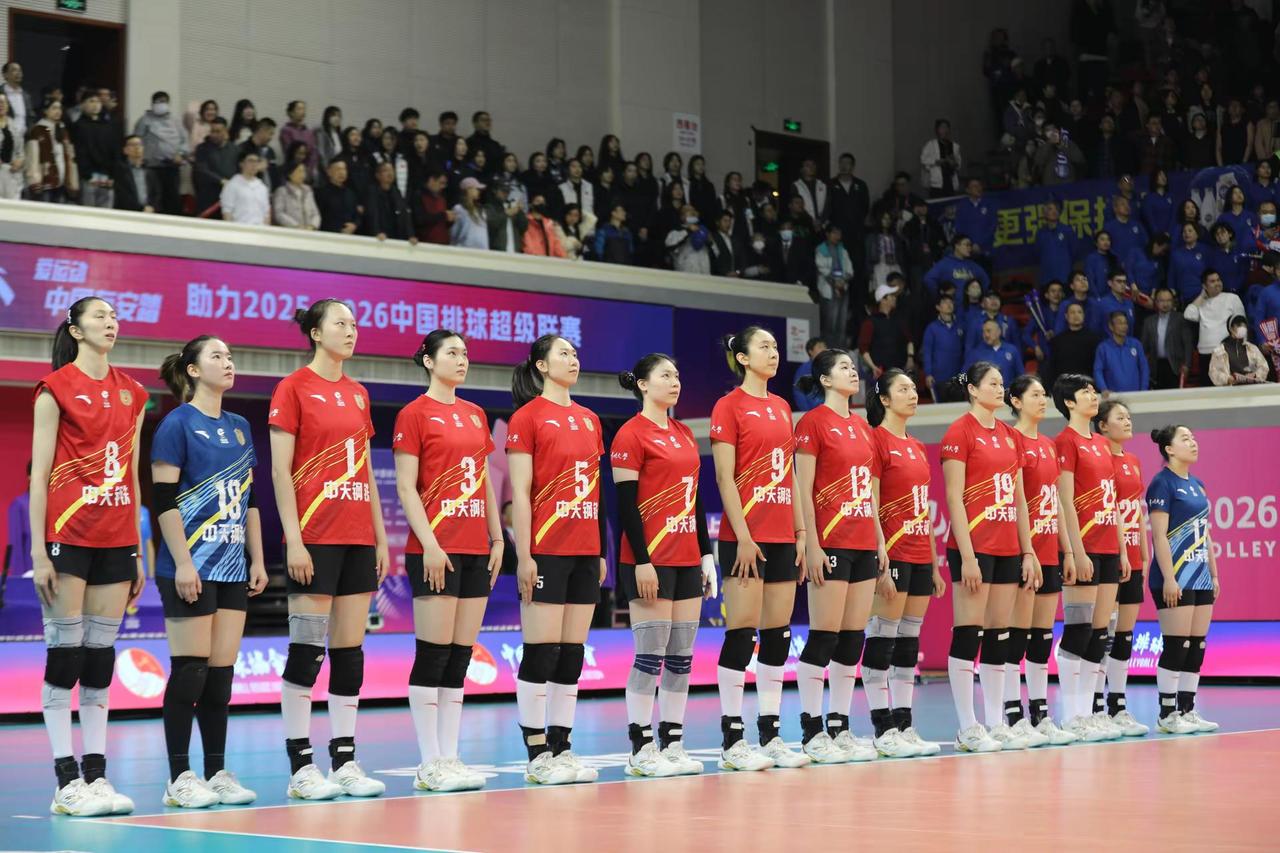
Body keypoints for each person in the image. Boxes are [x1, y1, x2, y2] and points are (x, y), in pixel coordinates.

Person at [29, 297, 147, 817]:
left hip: (116, 539)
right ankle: (65, 783)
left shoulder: (133, 392)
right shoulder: (54, 389)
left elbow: (133, 475)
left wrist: (136, 548)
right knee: (65, 656)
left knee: (99, 661)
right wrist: (39, 550)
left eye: (114, 316)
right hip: (68, 536)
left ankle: (96, 778)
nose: (110, 323)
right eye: (99, 316)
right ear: (75, 330)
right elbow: (39, 475)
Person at [269, 300, 390, 800]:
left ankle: (344, 761)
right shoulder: (293, 388)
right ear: (316, 333)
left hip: (357, 536)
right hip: (314, 537)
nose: (351, 331)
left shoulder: (359, 394)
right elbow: (280, 472)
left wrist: (379, 536)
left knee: (349, 655)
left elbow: (365, 469)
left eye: (354, 324)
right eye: (340, 323)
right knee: (306, 652)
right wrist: (295, 539)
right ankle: (301, 766)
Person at [151, 337, 266, 809]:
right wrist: (182, 562)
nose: (228, 362)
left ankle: (217, 772)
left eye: (230, 356)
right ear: (194, 370)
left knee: (220, 677)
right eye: (216, 356)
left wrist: (258, 559)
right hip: (190, 565)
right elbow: (163, 500)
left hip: (233, 565)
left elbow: (250, 501)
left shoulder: (240, 427)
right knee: (190, 672)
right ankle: (179, 777)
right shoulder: (176, 423)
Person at [392, 330, 500, 793]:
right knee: (433, 655)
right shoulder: (414, 414)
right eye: (452, 353)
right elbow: (406, 487)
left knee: (459, 657)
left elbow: (485, 481)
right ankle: (429, 763)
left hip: (476, 547)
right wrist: (431, 544)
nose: (462, 359)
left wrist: (498, 536)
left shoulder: (475, 414)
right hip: (434, 550)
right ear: (428, 361)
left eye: (465, 353)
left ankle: (450, 757)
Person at [506, 335, 607, 785]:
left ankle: (562, 747)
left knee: (572, 654)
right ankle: (536, 753)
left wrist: (599, 550)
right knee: (542, 651)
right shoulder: (527, 417)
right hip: (546, 549)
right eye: (563, 353)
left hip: (585, 549)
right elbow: (521, 492)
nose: (573, 359)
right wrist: (524, 554)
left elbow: (596, 491)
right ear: (541, 365)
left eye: (575, 353)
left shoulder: (589, 419)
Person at [612, 354, 716, 777]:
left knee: (681, 657)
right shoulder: (630, 434)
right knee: (649, 656)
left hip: (687, 556)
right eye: (665, 376)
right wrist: (642, 560)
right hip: (649, 560)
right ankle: (640, 747)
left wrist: (706, 554)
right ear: (642, 384)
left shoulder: (685, 433)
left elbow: (695, 497)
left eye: (677, 375)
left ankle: (672, 742)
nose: (675, 382)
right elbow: (625, 506)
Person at [709, 327, 807, 771]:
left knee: (777, 634)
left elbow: (789, 475)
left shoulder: (783, 407)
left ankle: (771, 735)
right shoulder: (728, 406)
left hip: (783, 535)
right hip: (744, 538)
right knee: (741, 632)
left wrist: (801, 532)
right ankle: (733, 741)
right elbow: (724, 477)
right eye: (764, 347)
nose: (774, 352)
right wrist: (744, 536)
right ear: (743, 358)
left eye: (775, 346)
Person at [792, 350, 886, 763]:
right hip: (831, 542)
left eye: (854, 366)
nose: (854, 372)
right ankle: (811, 731)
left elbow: (869, 492)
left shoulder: (864, 427)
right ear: (825, 379)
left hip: (864, 540)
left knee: (852, 639)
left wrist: (880, 541)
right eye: (844, 367)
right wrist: (811, 543)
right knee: (824, 636)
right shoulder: (812, 423)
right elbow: (803, 489)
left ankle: (839, 726)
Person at [940, 362, 1039, 753]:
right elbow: (953, 497)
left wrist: (1028, 550)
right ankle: (968, 727)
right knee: (969, 632)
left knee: (1000, 635)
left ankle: (996, 723)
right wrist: (967, 556)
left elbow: (1019, 498)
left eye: (1002, 384)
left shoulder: (1011, 436)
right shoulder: (959, 432)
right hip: (974, 548)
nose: (1001, 389)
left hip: (1008, 547)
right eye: (993, 384)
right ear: (973, 389)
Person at [858, 370, 944, 756]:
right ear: (884, 399)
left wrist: (933, 564)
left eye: (914, 388)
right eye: (903, 389)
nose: (913, 394)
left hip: (919, 553)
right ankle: (883, 728)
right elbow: (871, 502)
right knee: (882, 640)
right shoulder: (875, 440)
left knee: (909, 644)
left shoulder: (917, 446)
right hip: (891, 552)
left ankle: (904, 725)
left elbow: (922, 508)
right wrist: (881, 558)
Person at [1052, 373, 1128, 743]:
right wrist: (1075, 550)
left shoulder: (1100, 443)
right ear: (1069, 402)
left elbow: (1112, 502)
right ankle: (1072, 716)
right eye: (1085, 392)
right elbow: (1064, 500)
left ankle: (1089, 713)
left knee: (1099, 634)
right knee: (1079, 630)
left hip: (1109, 547)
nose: (1093, 396)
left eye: (1094, 390)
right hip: (1084, 547)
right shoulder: (1065, 442)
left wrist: (1122, 549)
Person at [1005, 376, 1077, 746]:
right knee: (1016, 634)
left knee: (1042, 636)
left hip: (1049, 550)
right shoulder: (1011, 440)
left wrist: (1067, 550)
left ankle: (1040, 712)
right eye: (1035, 394)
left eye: (1043, 394)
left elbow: (1059, 503)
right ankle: (1012, 713)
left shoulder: (1048, 446)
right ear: (1016, 401)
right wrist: (1026, 551)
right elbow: (1015, 500)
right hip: (1024, 551)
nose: (1043, 399)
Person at [1146, 425, 1219, 735]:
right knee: (1177, 644)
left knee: (1196, 645)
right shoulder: (1162, 483)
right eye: (1185, 439)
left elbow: (1206, 534)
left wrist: (1213, 573)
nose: (1193, 442)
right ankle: (1166, 714)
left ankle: (1188, 710)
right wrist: (1169, 578)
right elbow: (1159, 536)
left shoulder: (1198, 485)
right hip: (1175, 575)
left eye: (1194, 438)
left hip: (1200, 574)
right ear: (1169, 449)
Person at [1094, 399, 1150, 737]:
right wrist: (1122, 552)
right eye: (1120, 417)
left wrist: (1143, 552)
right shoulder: (1098, 460)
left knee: (1124, 634)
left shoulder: (1133, 461)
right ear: (1102, 425)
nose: (1128, 421)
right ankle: (1095, 706)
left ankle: (1117, 704)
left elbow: (1136, 510)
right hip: (1110, 554)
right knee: (1103, 631)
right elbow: (1109, 508)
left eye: (1129, 416)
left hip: (1133, 556)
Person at [1184, 270, 1245, 386]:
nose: (1217, 283)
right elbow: (1188, 315)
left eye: (1218, 280)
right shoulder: (1200, 303)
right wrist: (1202, 296)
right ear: (1204, 286)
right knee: (1208, 389)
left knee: (1228, 387)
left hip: (1227, 352)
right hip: (1206, 353)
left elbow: (1241, 324)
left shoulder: (1232, 298)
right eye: (1212, 281)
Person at [132, 92, 188, 215]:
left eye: (163, 101)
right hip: (152, 167)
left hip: (172, 166)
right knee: (154, 198)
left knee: (173, 199)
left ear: (168, 103)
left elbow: (184, 140)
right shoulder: (144, 120)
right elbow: (136, 140)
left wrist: (180, 153)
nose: (160, 104)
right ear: (152, 104)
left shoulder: (175, 120)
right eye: (157, 102)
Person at [24, 96, 78, 204]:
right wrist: (34, 181)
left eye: (59, 108)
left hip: (63, 181)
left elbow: (70, 155)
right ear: (45, 111)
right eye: (54, 108)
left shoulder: (63, 130)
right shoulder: (37, 130)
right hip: (44, 181)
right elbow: (32, 158)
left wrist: (72, 180)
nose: (58, 111)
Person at [71, 93, 118, 209]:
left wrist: (113, 175)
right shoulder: (78, 126)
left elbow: (114, 150)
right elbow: (79, 153)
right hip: (88, 178)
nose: (95, 105)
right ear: (83, 104)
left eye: (98, 101)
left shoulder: (108, 126)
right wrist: (88, 175)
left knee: (106, 214)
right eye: (91, 101)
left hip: (107, 177)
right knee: (88, 213)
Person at [1141, 287, 1193, 389]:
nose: (1165, 304)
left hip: (1175, 366)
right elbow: (1143, 347)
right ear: (1156, 302)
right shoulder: (1148, 322)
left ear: (1173, 302)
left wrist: (1187, 365)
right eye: (1162, 301)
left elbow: (1188, 344)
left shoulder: (1180, 319)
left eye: (1169, 300)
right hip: (1155, 366)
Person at [858, 283, 913, 379]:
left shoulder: (898, 319)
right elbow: (863, 348)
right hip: (881, 372)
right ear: (883, 300)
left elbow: (909, 340)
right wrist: (873, 367)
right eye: (891, 296)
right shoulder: (870, 322)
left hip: (900, 371)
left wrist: (910, 357)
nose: (895, 298)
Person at [814, 224, 853, 344]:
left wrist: (843, 280)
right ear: (827, 234)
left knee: (842, 321)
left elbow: (850, 270)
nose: (837, 236)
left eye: (839, 234)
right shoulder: (821, 249)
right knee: (830, 321)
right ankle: (828, 347)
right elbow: (822, 268)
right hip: (829, 287)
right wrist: (835, 282)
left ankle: (839, 347)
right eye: (834, 233)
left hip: (843, 287)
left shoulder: (843, 250)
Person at [1094, 312, 1149, 395]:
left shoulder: (1136, 344)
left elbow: (1144, 368)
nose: (1124, 326)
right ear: (1111, 326)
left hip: (1136, 395)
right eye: (1120, 323)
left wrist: (1144, 389)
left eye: (1125, 323)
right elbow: (1098, 370)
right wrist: (1103, 388)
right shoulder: (1103, 348)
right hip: (1113, 396)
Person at [923, 293, 965, 399]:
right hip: (939, 377)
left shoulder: (961, 325)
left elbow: (966, 350)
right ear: (938, 307)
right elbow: (927, 352)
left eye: (951, 302)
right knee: (942, 407)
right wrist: (928, 373)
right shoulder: (932, 328)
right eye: (945, 302)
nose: (949, 304)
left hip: (958, 376)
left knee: (959, 407)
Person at [924, 235, 990, 301]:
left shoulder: (973, 265)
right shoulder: (945, 263)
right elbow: (928, 279)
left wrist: (979, 297)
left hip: (970, 305)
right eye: (967, 245)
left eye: (970, 245)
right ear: (957, 246)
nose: (969, 248)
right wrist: (940, 297)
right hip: (952, 305)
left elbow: (985, 281)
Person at [1208, 315, 1269, 386]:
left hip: (1251, 388)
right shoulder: (1219, 351)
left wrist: (1255, 375)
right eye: (1238, 325)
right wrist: (1228, 379)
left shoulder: (1252, 348)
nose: (1242, 328)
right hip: (1230, 389)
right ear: (1231, 328)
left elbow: (1264, 367)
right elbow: (1214, 372)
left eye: (1244, 325)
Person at [193, 118, 237, 214]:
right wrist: (221, 180)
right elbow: (201, 169)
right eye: (212, 131)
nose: (214, 135)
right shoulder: (202, 148)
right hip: (208, 197)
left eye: (218, 131)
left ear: (225, 131)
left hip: (229, 197)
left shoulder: (235, 149)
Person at [965, 319, 1024, 387]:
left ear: (998, 332)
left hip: (1007, 392)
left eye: (988, 331)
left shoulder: (1012, 350)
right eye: (983, 332)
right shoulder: (975, 353)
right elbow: (966, 375)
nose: (986, 335)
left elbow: (1021, 376)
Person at [219, 150, 270, 226]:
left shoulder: (262, 187)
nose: (254, 164)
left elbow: (266, 214)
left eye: (257, 161)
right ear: (241, 164)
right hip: (240, 228)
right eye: (250, 161)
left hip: (260, 229)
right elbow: (227, 212)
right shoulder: (232, 185)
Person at [113, 135, 161, 213]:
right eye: (133, 145)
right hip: (127, 213)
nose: (137, 147)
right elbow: (122, 195)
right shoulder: (120, 171)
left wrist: (152, 207)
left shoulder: (150, 171)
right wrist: (141, 208)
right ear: (125, 150)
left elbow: (156, 194)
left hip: (149, 212)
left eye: (139, 144)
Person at [1035, 200, 1078, 287]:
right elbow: (1037, 254)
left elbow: (1074, 252)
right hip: (1047, 278)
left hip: (1064, 276)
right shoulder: (1040, 233)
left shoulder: (1067, 230)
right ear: (1044, 213)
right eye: (1050, 209)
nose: (1054, 211)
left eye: (1056, 209)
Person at [316, 159, 361, 235]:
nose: (342, 172)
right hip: (328, 235)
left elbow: (356, 215)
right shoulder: (321, 193)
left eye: (344, 169)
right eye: (338, 169)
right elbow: (319, 217)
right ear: (329, 172)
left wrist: (354, 225)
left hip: (349, 236)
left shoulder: (350, 193)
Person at [920, 120, 962, 198]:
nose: (944, 130)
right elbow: (923, 159)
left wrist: (954, 163)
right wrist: (937, 161)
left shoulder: (955, 146)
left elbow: (958, 164)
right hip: (936, 184)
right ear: (937, 130)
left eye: (946, 128)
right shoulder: (931, 144)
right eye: (942, 128)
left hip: (950, 182)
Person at [1168, 222, 1208, 305]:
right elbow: (1171, 276)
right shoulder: (1176, 254)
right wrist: (1173, 294)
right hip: (1183, 297)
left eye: (1190, 231)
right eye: (1184, 231)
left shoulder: (1206, 251)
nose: (1186, 233)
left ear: (1197, 234)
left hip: (1203, 296)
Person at [273, 161, 320, 230]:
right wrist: (296, 225)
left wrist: (312, 225)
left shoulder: (308, 191)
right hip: (291, 230)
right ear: (290, 174)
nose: (303, 175)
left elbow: (315, 213)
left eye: (304, 171)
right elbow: (279, 213)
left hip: (309, 231)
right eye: (299, 171)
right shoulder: (282, 191)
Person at [665, 205, 710, 274]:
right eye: (688, 210)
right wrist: (688, 231)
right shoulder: (675, 232)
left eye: (694, 210)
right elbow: (670, 247)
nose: (692, 212)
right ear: (682, 216)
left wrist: (709, 241)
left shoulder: (703, 231)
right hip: (686, 274)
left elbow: (715, 253)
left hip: (704, 274)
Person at [279, 101, 317, 182]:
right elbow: (290, 151)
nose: (302, 112)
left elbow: (313, 152)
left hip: (307, 172)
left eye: (303, 109)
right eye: (299, 109)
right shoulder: (286, 130)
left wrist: (308, 170)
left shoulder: (309, 132)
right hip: (292, 171)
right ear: (291, 112)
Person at [485, 183, 527, 254]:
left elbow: (524, 227)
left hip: (515, 251)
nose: (506, 193)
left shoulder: (511, 206)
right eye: (503, 190)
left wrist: (520, 211)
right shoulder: (489, 207)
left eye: (508, 191)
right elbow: (491, 225)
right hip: (497, 252)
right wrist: (506, 214)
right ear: (495, 191)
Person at [449, 177, 488, 249]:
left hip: (482, 251)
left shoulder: (481, 210)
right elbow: (454, 233)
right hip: (465, 249)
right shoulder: (459, 209)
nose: (479, 191)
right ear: (468, 190)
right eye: (476, 189)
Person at [791, 337, 827, 412]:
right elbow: (799, 394)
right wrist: (807, 412)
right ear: (810, 351)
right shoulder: (803, 370)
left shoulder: (830, 368)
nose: (824, 349)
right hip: (812, 412)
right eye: (820, 347)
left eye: (824, 346)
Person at [790, 157, 828, 223]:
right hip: (804, 222)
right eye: (807, 165)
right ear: (802, 169)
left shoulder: (823, 185)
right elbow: (796, 206)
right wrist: (810, 220)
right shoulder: (796, 185)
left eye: (813, 165)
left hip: (822, 223)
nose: (811, 167)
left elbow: (828, 205)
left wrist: (821, 220)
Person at [1140, 168, 1174, 238]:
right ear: (1154, 178)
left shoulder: (1171, 196)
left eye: (1164, 175)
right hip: (1155, 237)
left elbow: (1173, 217)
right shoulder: (1148, 198)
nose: (1163, 177)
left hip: (1170, 235)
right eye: (1160, 175)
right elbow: (1149, 219)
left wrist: (1169, 232)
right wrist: (1158, 234)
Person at [1083, 230, 1116, 299]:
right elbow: (1090, 280)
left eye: (1108, 240)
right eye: (1102, 239)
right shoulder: (1091, 258)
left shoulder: (1113, 258)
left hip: (1112, 297)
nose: (1106, 242)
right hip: (1097, 297)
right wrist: (1097, 297)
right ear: (1096, 243)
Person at [314, 106, 344, 175]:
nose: (337, 118)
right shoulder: (321, 132)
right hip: (325, 170)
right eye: (333, 115)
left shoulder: (339, 134)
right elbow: (321, 153)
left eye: (339, 116)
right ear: (327, 117)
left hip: (337, 170)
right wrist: (327, 170)